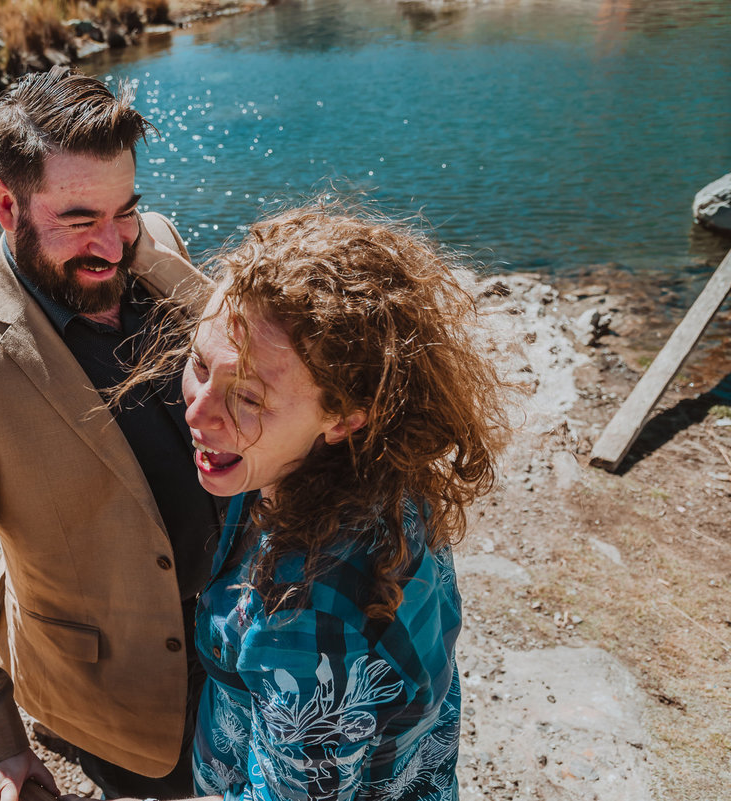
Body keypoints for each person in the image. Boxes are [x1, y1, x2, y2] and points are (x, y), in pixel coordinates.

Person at [0, 66, 222, 801]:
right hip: (120, 692)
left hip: (249, 637)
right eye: (78, 220)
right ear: (6, 205)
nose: (114, 246)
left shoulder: (156, 241)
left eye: (125, 209)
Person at [102, 204, 507, 800]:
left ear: (343, 416)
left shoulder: (304, 621)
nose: (197, 413)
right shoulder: (374, 466)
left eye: (247, 398)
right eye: (198, 364)